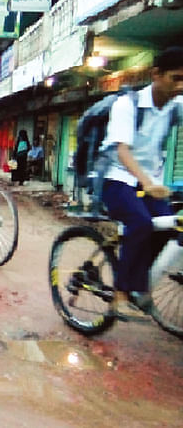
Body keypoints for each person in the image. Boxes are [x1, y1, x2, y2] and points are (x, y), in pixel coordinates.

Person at [100, 46, 183, 319]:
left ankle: (139, 284)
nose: (179, 86)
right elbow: (122, 150)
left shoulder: (174, 106)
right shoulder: (127, 105)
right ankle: (121, 293)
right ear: (156, 74)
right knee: (140, 223)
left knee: (170, 228)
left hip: (150, 184)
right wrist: (146, 182)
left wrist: (150, 184)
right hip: (118, 180)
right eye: (176, 78)